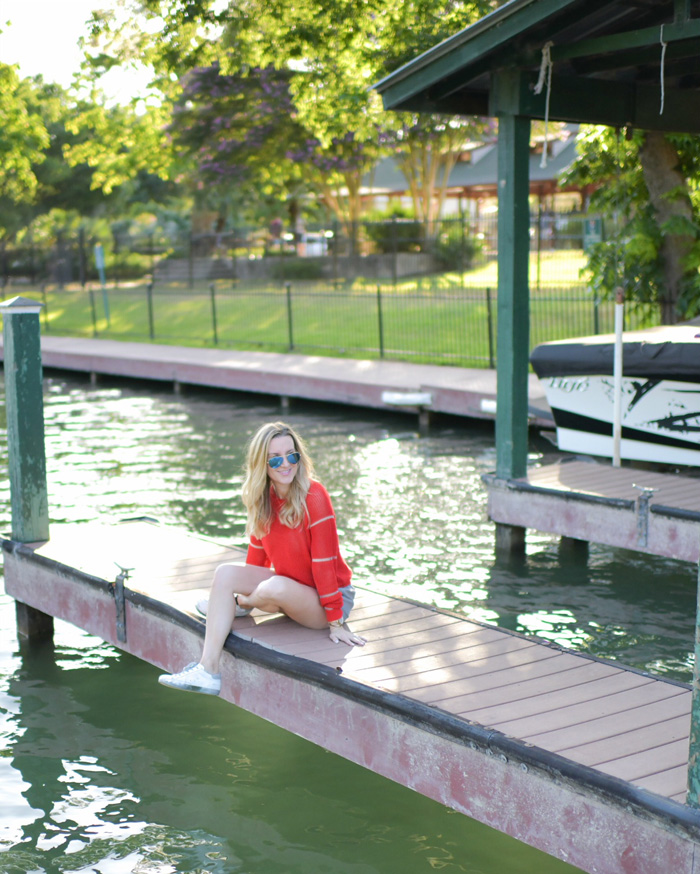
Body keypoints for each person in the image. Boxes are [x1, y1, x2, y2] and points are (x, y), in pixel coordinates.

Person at [159, 421, 366, 695]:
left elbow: (324, 565)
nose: (286, 464)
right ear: (262, 464)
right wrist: (241, 585)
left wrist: (336, 621)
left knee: (273, 587)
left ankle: (241, 603)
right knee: (224, 573)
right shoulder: (262, 498)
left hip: (325, 599)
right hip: (288, 587)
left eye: (292, 455)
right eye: (275, 458)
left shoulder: (314, 496)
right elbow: (256, 557)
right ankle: (208, 669)